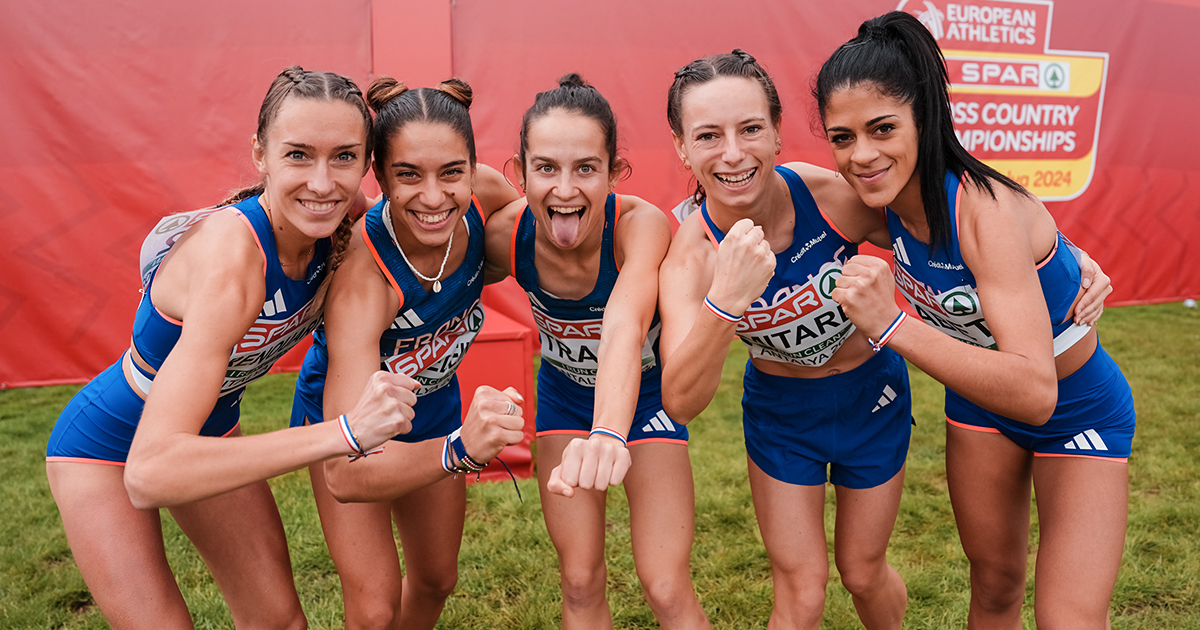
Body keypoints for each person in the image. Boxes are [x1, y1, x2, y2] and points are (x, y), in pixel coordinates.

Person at [658, 50, 1112, 630]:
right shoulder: (691, 258)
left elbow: (949, 220)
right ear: (680, 147)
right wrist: (725, 302)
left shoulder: (833, 198)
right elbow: (681, 402)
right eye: (707, 136)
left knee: (864, 572)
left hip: (872, 399)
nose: (732, 153)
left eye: (750, 129)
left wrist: (1068, 256)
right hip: (780, 414)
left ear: (777, 132)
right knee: (801, 591)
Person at [45, 66, 419, 630]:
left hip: (208, 431)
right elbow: (149, 473)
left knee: (279, 623)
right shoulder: (234, 257)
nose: (321, 182)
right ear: (260, 155)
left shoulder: (345, 220)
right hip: (106, 448)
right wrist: (342, 434)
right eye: (298, 155)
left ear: (366, 164)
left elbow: (442, 199)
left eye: (343, 157)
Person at [818, 12, 1135, 629]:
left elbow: (1038, 393)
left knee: (1067, 619)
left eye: (883, 128)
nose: (862, 155)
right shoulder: (877, 202)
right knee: (993, 589)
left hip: (1076, 410)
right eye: (841, 136)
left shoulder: (979, 207)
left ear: (924, 118)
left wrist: (891, 326)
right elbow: (784, 200)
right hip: (979, 409)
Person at [288, 75, 524, 630]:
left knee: (438, 578)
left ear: (473, 165)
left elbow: (543, 252)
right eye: (408, 175)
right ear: (378, 175)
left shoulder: (487, 195)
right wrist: (461, 448)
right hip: (348, 418)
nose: (435, 196)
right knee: (373, 608)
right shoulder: (364, 282)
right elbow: (347, 473)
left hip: (432, 403)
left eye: (451, 172)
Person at [484, 74, 712, 630]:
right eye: (546, 168)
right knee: (580, 580)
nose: (564, 189)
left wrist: (609, 432)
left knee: (664, 585)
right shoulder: (503, 236)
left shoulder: (639, 227)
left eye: (586, 168)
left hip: (646, 400)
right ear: (521, 173)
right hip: (564, 399)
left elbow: (623, 327)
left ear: (614, 173)